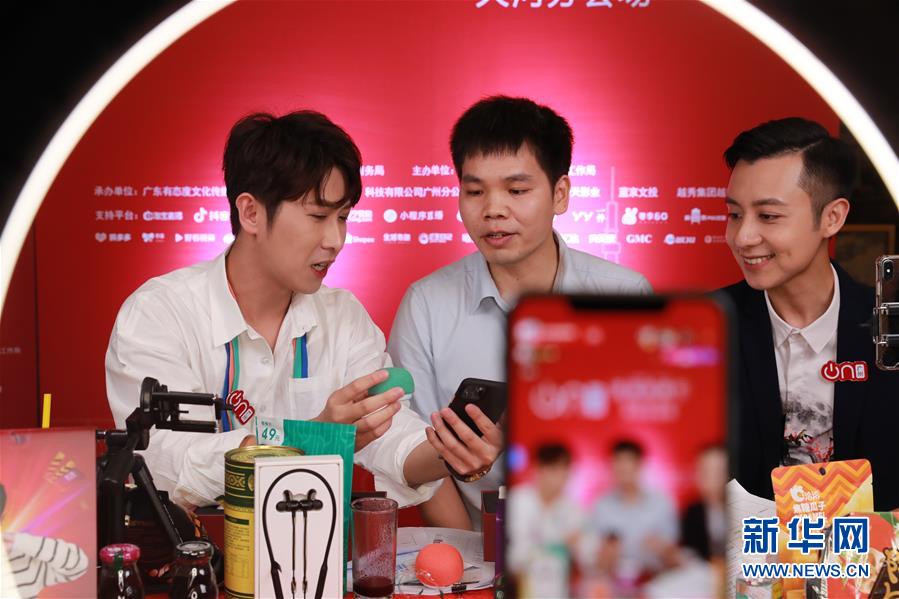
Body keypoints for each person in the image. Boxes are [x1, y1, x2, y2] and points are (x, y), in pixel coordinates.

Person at [106, 111, 502, 509]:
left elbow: (392, 437)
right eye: (318, 216)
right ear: (251, 213)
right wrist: (310, 439)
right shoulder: (160, 313)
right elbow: (164, 461)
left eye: (342, 217)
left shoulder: (342, 316)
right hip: (193, 546)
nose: (335, 239)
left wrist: (453, 454)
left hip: (315, 545)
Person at [388, 96, 652, 527]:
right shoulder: (426, 304)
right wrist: (469, 558)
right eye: (475, 191)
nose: (493, 209)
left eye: (516, 190)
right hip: (475, 547)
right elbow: (421, 453)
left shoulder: (625, 296)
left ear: (560, 194)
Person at [721, 117, 899, 510]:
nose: (743, 237)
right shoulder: (705, 328)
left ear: (832, 217)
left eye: (768, 216)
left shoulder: (887, 330)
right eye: (734, 214)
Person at [588, 440, 678, 579]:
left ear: (639, 464)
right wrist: (606, 554)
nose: (623, 468)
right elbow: (596, 561)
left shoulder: (661, 504)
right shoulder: (601, 506)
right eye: (618, 462)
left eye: (628, 462)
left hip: (655, 579)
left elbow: (674, 558)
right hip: (613, 580)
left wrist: (663, 549)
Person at [507, 443, 586, 596]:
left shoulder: (572, 509)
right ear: (538, 469)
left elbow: (583, 556)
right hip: (522, 586)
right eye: (554, 470)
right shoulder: (519, 500)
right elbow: (515, 555)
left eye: (565, 470)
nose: (561, 478)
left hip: (557, 589)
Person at [680, 444, 727, 561]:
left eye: (718, 471)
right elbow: (690, 550)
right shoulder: (693, 511)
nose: (712, 477)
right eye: (705, 471)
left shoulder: (748, 507)